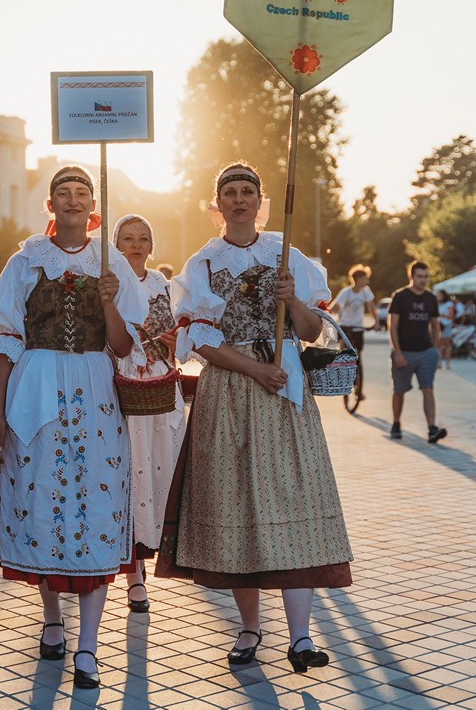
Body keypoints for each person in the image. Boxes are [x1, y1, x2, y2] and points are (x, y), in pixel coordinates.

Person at [158, 162, 352, 673]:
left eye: (248, 191)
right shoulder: (202, 263)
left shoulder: (287, 255)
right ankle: (249, 628)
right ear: (217, 204)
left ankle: (301, 638)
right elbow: (199, 339)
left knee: (295, 496)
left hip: (284, 389)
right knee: (237, 501)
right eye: (230, 193)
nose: (239, 200)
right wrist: (255, 369)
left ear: (260, 201)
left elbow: (310, 331)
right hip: (230, 388)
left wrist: (293, 301)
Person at [0, 165, 147, 690]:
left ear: (93, 205)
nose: (73, 200)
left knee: (97, 504)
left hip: (95, 389)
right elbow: (5, 340)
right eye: (63, 193)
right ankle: (52, 617)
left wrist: (109, 299)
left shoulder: (111, 261)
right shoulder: (26, 259)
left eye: (82, 193)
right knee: (42, 501)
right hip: (36, 389)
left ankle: (89, 646)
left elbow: (123, 345)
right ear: (50, 204)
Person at [112, 213, 184, 614]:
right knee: (130, 473)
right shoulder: (109, 283)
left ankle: (164, 553)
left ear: (152, 246)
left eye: (143, 238)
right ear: (116, 244)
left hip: (161, 385)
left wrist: (174, 342)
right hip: (121, 382)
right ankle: (134, 573)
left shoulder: (163, 285)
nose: (136, 244)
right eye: (128, 238)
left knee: (161, 472)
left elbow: (183, 337)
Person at [388, 262, 447, 443]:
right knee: (399, 391)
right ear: (411, 277)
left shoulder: (431, 298)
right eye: (420, 276)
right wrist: (397, 352)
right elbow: (393, 326)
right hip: (404, 352)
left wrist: (435, 350)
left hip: (426, 352)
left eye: (426, 276)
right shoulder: (400, 296)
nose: (423, 280)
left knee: (428, 389)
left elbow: (435, 325)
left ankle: (432, 429)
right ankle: (396, 423)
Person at [330, 265, 377, 399]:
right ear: (357, 279)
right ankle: (341, 374)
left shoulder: (365, 291)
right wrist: (328, 315)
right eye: (365, 278)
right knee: (342, 352)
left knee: (358, 356)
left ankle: (358, 387)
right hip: (345, 325)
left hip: (358, 327)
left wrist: (377, 322)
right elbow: (335, 306)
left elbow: (372, 306)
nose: (367, 281)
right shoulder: (346, 292)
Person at [435, 290, 455, 370]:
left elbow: (451, 316)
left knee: (446, 345)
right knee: (439, 345)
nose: (438, 296)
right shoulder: (437, 304)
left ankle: (447, 363)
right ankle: (439, 363)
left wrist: (441, 315)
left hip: (446, 325)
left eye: (439, 295)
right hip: (438, 326)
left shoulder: (449, 304)